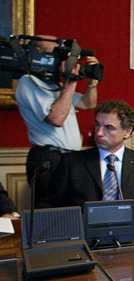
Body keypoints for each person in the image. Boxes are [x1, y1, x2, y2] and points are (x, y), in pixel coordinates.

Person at [15, 35, 100, 203]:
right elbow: (56, 118)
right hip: (49, 158)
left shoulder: (57, 86)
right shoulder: (28, 82)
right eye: (55, 52)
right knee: (51, 210)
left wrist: (92, 81)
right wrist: (71, 81)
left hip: (72, 158)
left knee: (75, 208)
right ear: (38, 55)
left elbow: (87, 103)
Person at [40, 100, 134, 210]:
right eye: (97, 125)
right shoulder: (71, 162)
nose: (99, 133)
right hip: (84, 227)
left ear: (127, 131)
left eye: (109, 127)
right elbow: (49, 203)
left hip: (130, 227)